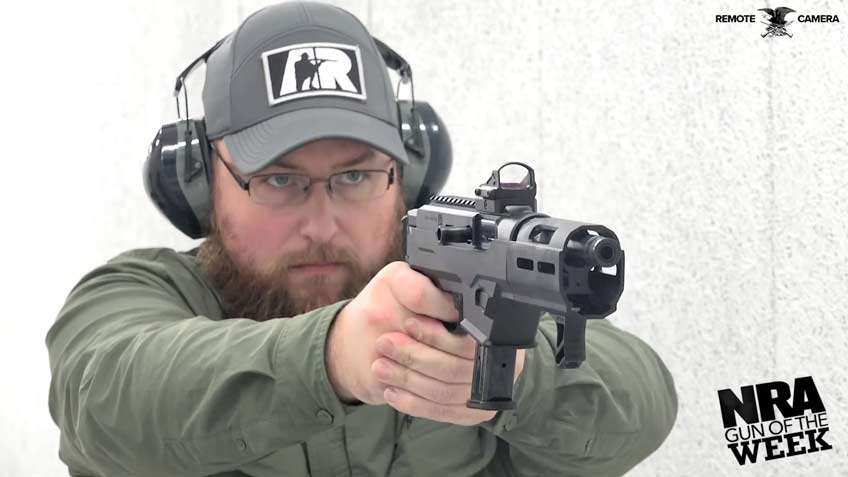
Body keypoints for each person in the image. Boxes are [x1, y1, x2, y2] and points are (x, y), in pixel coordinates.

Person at [46, 2, 678, 476]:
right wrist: (332, 358)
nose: (321, 225)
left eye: (354, 176)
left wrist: (514, 378)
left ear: (408, 177)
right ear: (198, 181)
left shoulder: (455, 303)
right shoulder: (140, 292)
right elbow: (100, 395)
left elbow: (642, 398)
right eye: (278, 180)